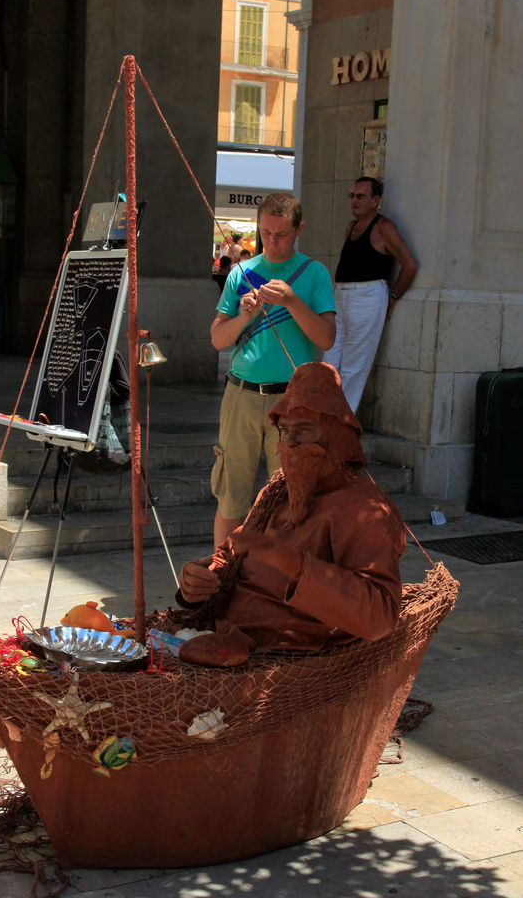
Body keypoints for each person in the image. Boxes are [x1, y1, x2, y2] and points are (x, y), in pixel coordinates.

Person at [177, 361, 405, 664]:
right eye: (284, 431)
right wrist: (198, 580)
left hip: (291, 658)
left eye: (304, 430)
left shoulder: (364, 508)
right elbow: (229, 555)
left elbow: (380, 616)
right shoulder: (275, 494)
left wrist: (297, 567)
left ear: (335, 436)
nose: (291, 443)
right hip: (228, 638)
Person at [210, 192, 336, 547]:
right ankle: (220, 580)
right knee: (230, 496)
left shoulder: (313, 274)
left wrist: (292, 300)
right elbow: (218, 339)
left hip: (291, 402)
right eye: (266, 232)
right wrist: (243, 316)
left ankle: (276, 584)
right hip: (242, 396)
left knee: (289, 499)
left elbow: (326, 338)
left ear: (299, 230)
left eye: (281, 234)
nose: (273, 241)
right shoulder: (241, 273)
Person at [322, 176, 418, 413]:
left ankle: (341, 425)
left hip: (367, 296)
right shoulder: (350, 227)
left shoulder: (384, 227)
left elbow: (410, 264)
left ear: (375, 200)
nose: (354, 201)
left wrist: (393, 296)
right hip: (342, 296)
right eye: (352, 196)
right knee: (328, 362)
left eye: (360, 196)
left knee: (354, 367)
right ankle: (324, 418)